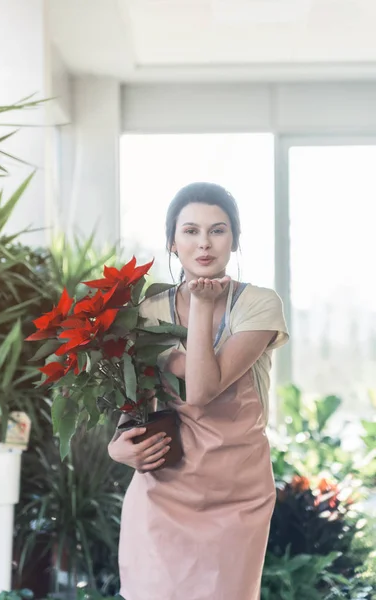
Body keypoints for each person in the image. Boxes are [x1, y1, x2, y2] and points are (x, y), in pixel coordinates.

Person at [108, 182, 289, 600]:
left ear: (235, 239)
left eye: (218, 230)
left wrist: (203, 307)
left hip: (236, 497)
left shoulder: (259, 305)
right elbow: (133, 404)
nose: (203, 243)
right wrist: (117, 447)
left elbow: (202, 390)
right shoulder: (147, 312)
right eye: (190, 231)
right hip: (161, 492)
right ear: (172, 241)